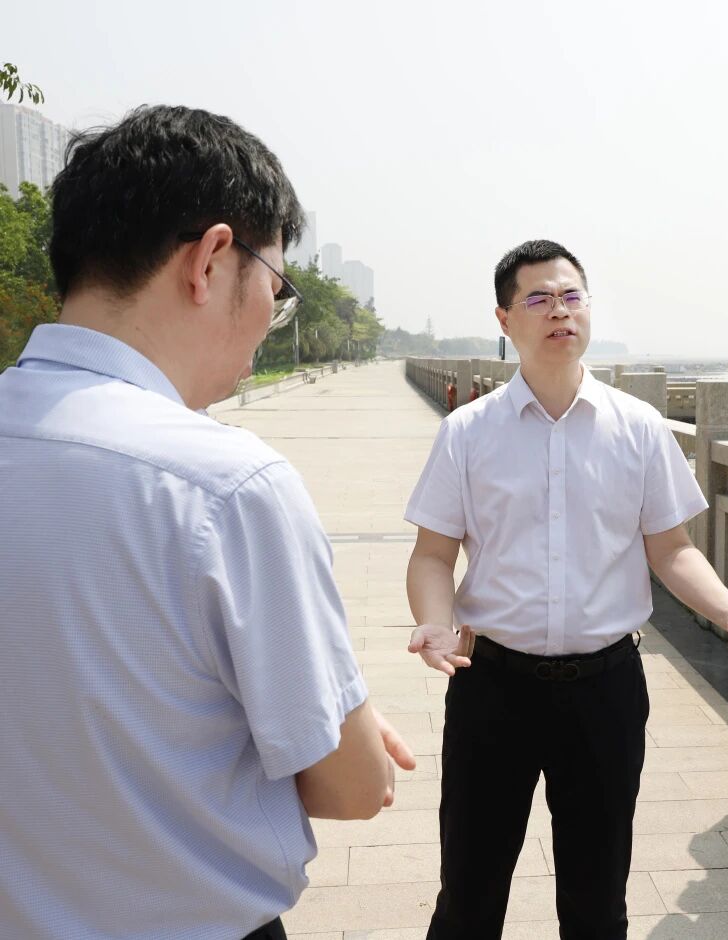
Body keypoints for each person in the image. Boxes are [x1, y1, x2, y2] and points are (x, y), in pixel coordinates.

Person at [0, 105, 415, 940]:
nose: (271, 313)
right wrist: (344, 723)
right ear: (212, 260)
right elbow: (354, 786)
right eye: (277, 287)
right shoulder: (227, 486)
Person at [403, 239, 728, 939]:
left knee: (597, 901)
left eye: (571, 295)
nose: (560, 311)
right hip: (493, 689)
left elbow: (672, 550)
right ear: (505, 319)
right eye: (539, 298)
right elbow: (433, 555)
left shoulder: (638, 428)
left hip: (605, 690)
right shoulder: (468, 433)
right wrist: (434, 622)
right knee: (469, 893)